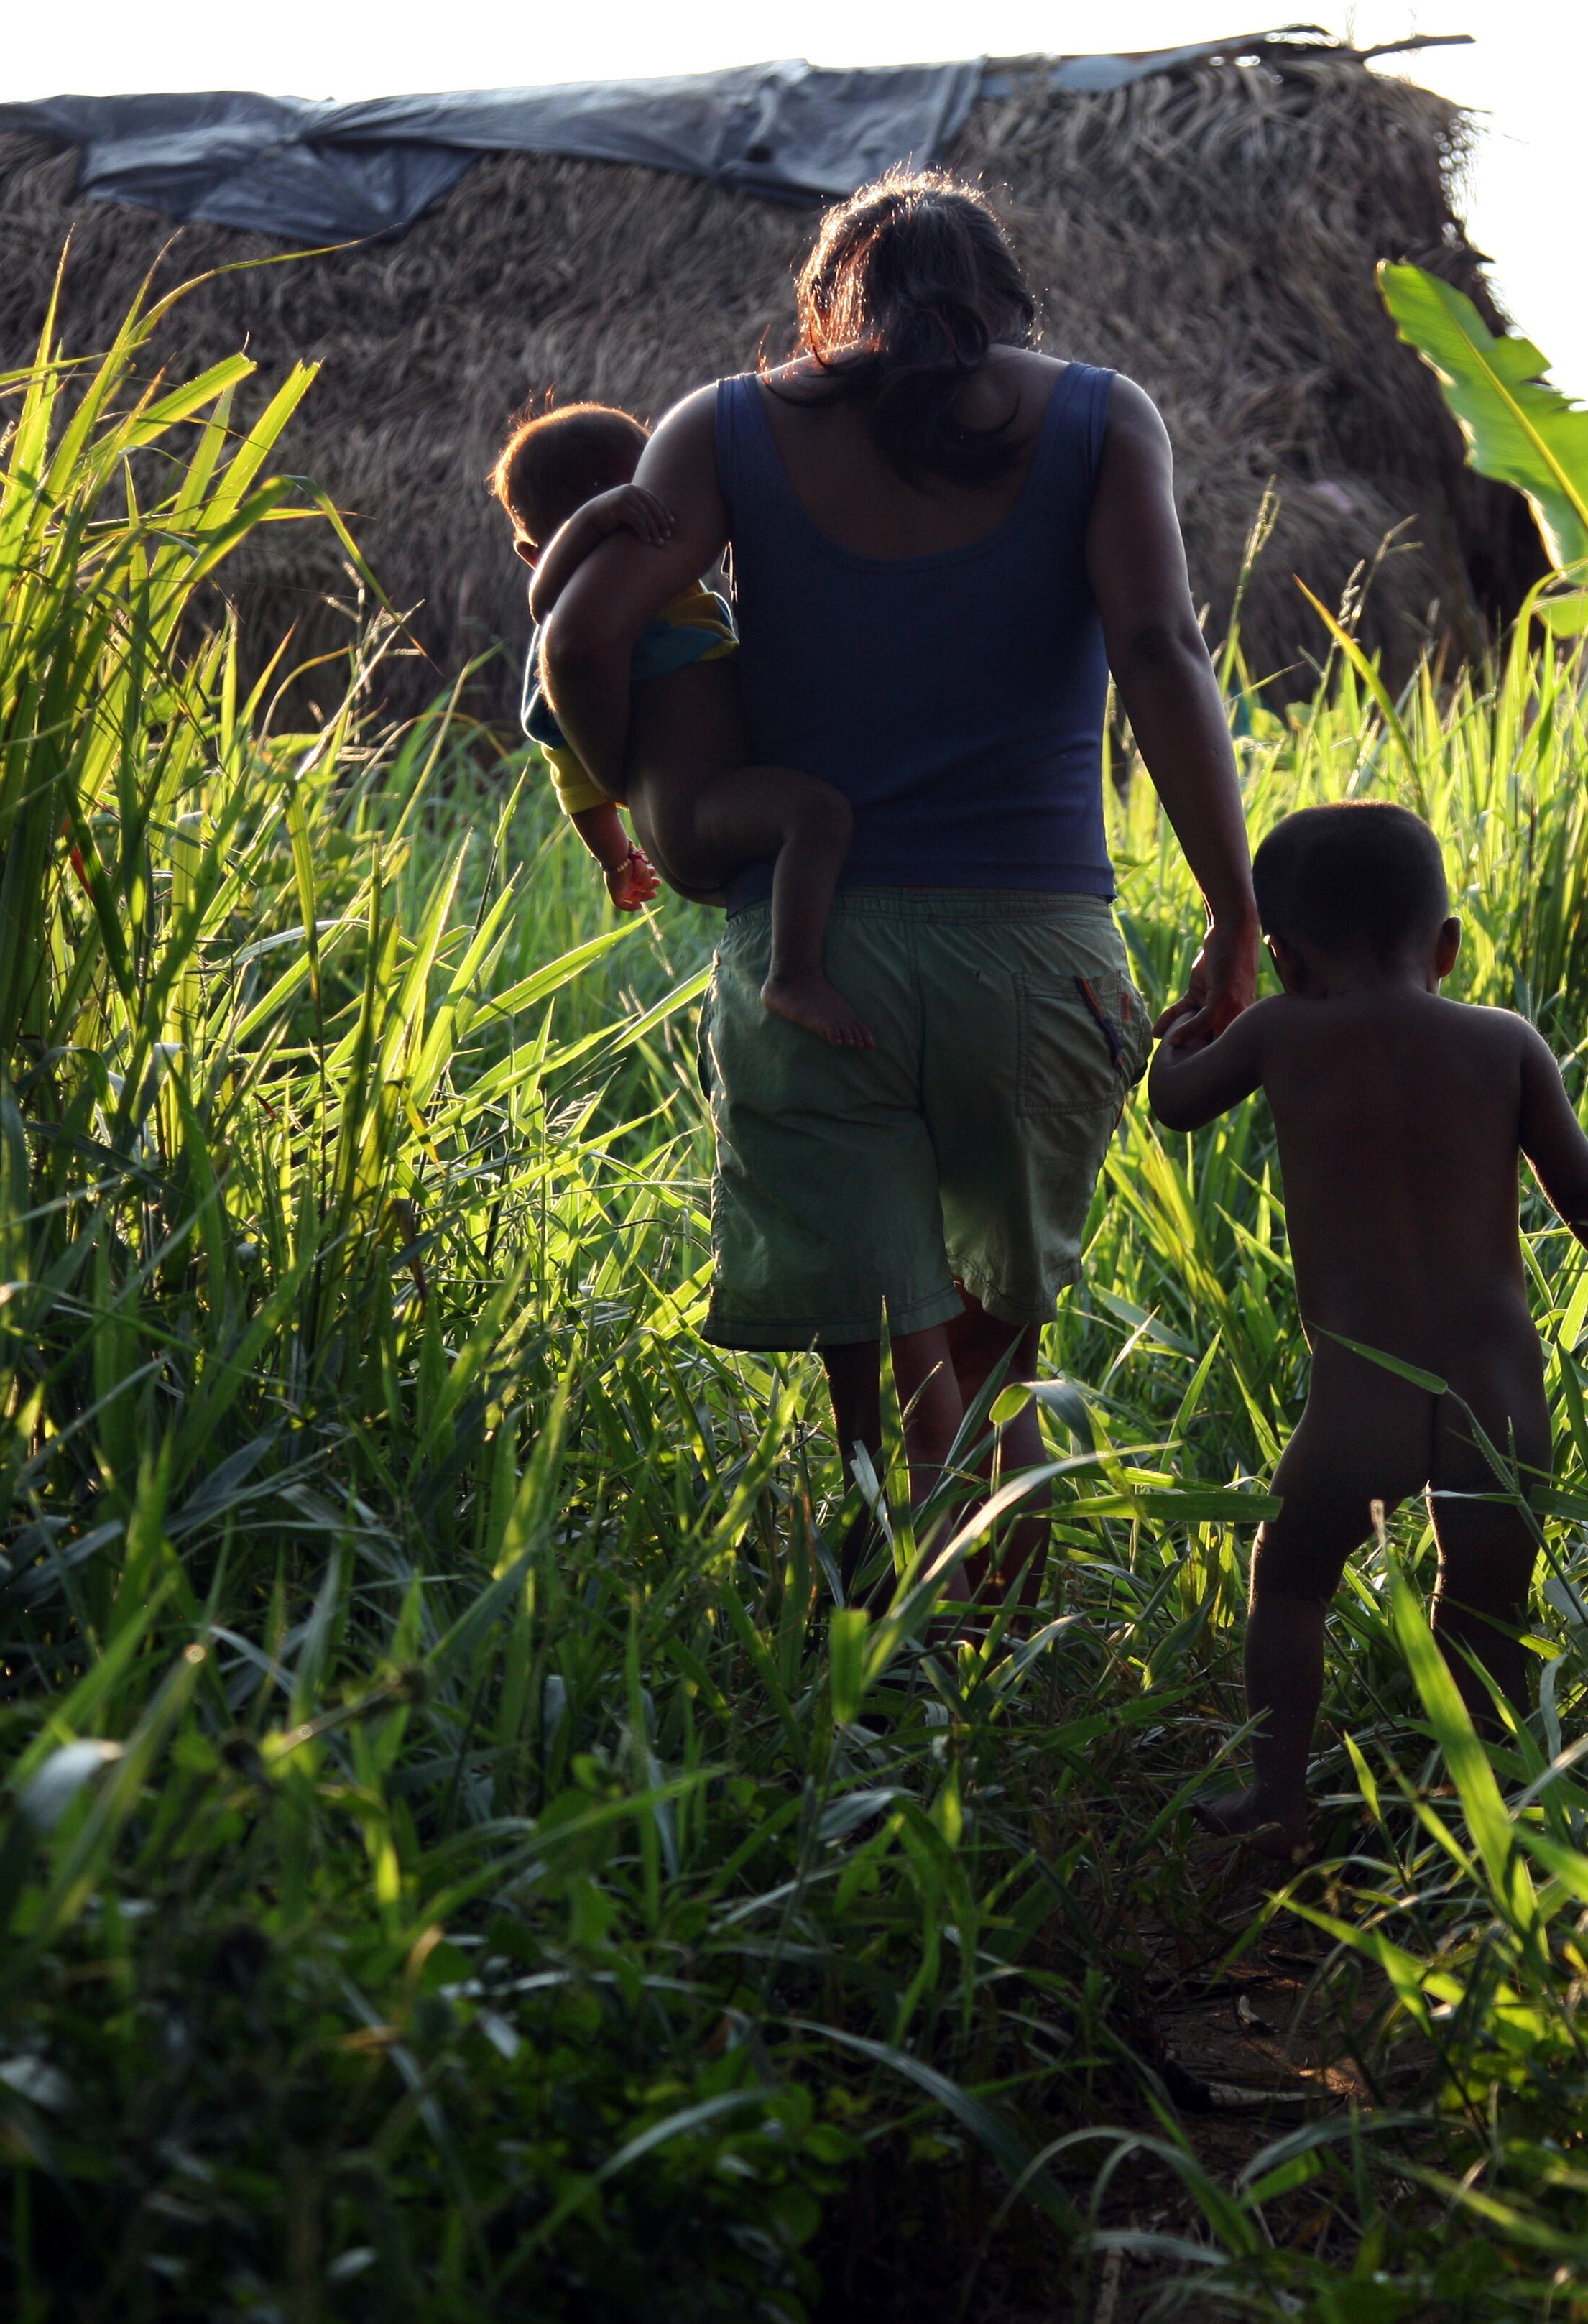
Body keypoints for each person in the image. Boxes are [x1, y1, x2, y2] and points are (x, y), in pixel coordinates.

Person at [529, 172, 1261, 1592]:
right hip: (1034, 954)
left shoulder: (725, 426)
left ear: (826, 309)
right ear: (1009, 309)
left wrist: (647, 803)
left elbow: (576, 643)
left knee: (868, 1333)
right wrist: (1235, 917)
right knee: (998, 1333)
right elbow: (1164, 656)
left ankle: (890, 1603)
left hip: (816, 950)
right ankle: (1008, 1608)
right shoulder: (1105, 419)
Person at [1143, 802, 1588, 1860]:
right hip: (1500, 1401)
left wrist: (1191, 1021)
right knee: (1484, 1611)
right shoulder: (1505, 1043)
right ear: (1448, 945)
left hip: (1358, 1403)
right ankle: (1488, 1822)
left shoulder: (1283, 1030)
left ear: (1282, 958)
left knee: (1290, 1580)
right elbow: (1586, 1189)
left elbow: (1177, 1103)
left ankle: (1277, 1801)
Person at [493, 402, 871, 1048]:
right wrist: (615, 859)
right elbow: (572, 772)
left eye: (649, 506)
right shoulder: (571, 633)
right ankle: (793, 975)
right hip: (694, 815)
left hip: (699, 809)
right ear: (538, 553)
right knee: (818, 816)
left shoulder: (673, 598)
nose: (635, 532)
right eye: (610, 516)